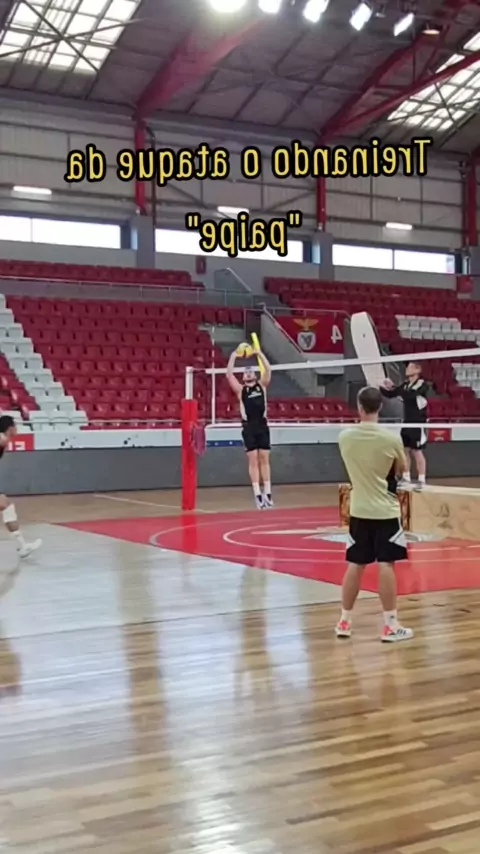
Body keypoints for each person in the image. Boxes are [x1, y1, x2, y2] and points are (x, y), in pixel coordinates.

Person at [336, 386, 413, 643]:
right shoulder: (391, 439)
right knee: (386, 564)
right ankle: (390, 625)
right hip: (385, 511)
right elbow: (401, 469)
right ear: (380, 406)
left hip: (359, 510)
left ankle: (344, 621)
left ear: (359, 407)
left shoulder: (345, 437)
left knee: (355, 564)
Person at [226, 343, 272, 509]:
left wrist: (259, 353)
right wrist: (234, 355)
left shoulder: (262, 385)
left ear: (255, 374)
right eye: (245, 372)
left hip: (262, 425)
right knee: (253, 461)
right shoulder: (241, 390)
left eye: (251, 371)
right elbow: (229, 374)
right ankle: (257, 494)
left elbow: (268, 369)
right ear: (243, 378)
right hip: (249, 428)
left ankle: (268, 492)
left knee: (264, 459)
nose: (248, 373)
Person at [378, 361, 429, 488]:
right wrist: (383, 387)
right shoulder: (406, 385)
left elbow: (411, 395)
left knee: (417, 451)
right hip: (406, 422)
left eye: (410, 367)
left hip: (418, 423)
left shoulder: (422, 384)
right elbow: (391, 394)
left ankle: (421, 479)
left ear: (417, 370)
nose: (407, 369)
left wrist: (396, 388)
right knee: (404, 450)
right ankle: (406, 477)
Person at [0, 416, 42, 559]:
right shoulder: (2, 439)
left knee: (6, 505)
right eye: (15, 426)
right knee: (5, 505)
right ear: (10, 428)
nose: (17, 429)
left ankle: (22, 546)